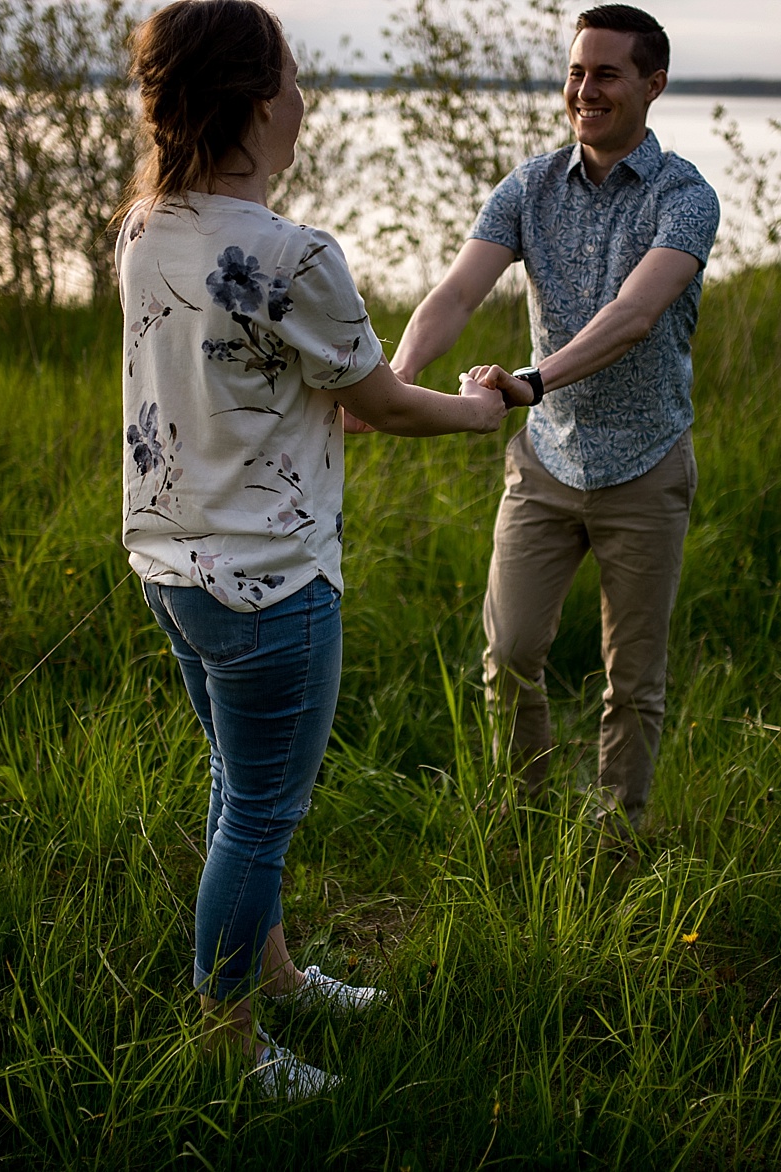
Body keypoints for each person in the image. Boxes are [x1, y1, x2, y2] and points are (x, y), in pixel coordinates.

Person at [118, 0, 526, 1099]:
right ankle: (227, 1035)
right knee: (258, 810)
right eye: (294, 78)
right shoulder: (292, 255)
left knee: (235, 785)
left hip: (172, 567)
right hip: (269, 583)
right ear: (256, 100)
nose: (306, 99)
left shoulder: (148, 228)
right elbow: (379, 404)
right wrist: (481, 410)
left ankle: (278, 971)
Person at [392, 5, 719, 836]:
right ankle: (526, 821)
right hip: (545, 466)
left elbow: (634, 315)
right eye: (577, 71)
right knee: (508, 657)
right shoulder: (528, 186)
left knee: (633, 679)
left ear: (653, 85)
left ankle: (616, 838)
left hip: (645, 468)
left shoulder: (685, 197)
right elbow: (457, 293)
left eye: (606, 73)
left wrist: (530, 382)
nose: (585, 89)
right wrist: (396, 380)